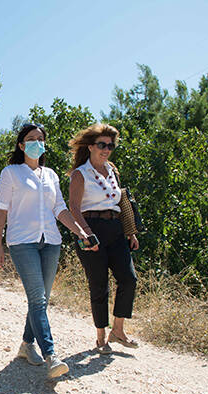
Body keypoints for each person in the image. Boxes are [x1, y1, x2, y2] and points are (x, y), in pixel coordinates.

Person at [0, 123, 93, 380]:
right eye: (31, 139)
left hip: (51, 241)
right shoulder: (11, 173)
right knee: (37, 299)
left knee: (42, 300)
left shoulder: (51, 175)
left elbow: (59, 208)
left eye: (40, 139)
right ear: (21, 145)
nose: (37, 142)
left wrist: (80, 231)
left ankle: (27, 345)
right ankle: (51, 356)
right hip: (22, 241)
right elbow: (1, 209)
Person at [68, 123, 139, 354]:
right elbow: (74, 209)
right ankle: (101, 338)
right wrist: (87, 234)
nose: (107, 149)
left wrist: (130, 232)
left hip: (116, 229)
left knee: (128, 278)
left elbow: (121, 202)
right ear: (90, 147)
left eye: (110, 145)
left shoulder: (112, 170)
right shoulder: (80, 174)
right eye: (102, 145)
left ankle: (118, 330)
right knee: (99, 285)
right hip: (91, 228)